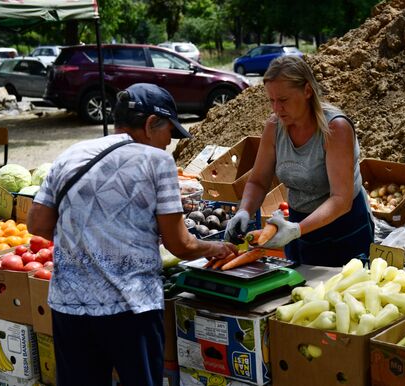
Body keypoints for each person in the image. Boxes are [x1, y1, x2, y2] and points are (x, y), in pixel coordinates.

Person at [27, 83, 236, 386]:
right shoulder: (157, 162)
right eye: (169, 135)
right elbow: (181, 244)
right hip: (131, 308)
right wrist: (215, 248)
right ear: (151, 124)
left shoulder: (71, 154)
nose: (168, 144)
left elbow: (38, 224)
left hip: (69, 309)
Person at [225, 56, 374, 267]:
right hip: (298, 228)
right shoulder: (274, 127)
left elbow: (341, 199)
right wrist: (244, 210)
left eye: (283, 100)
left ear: (307, 91)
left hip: (343, 230)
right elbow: (258, 181)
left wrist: (296, 229)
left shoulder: (335, 128)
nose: (276, 108)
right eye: (271, 100)